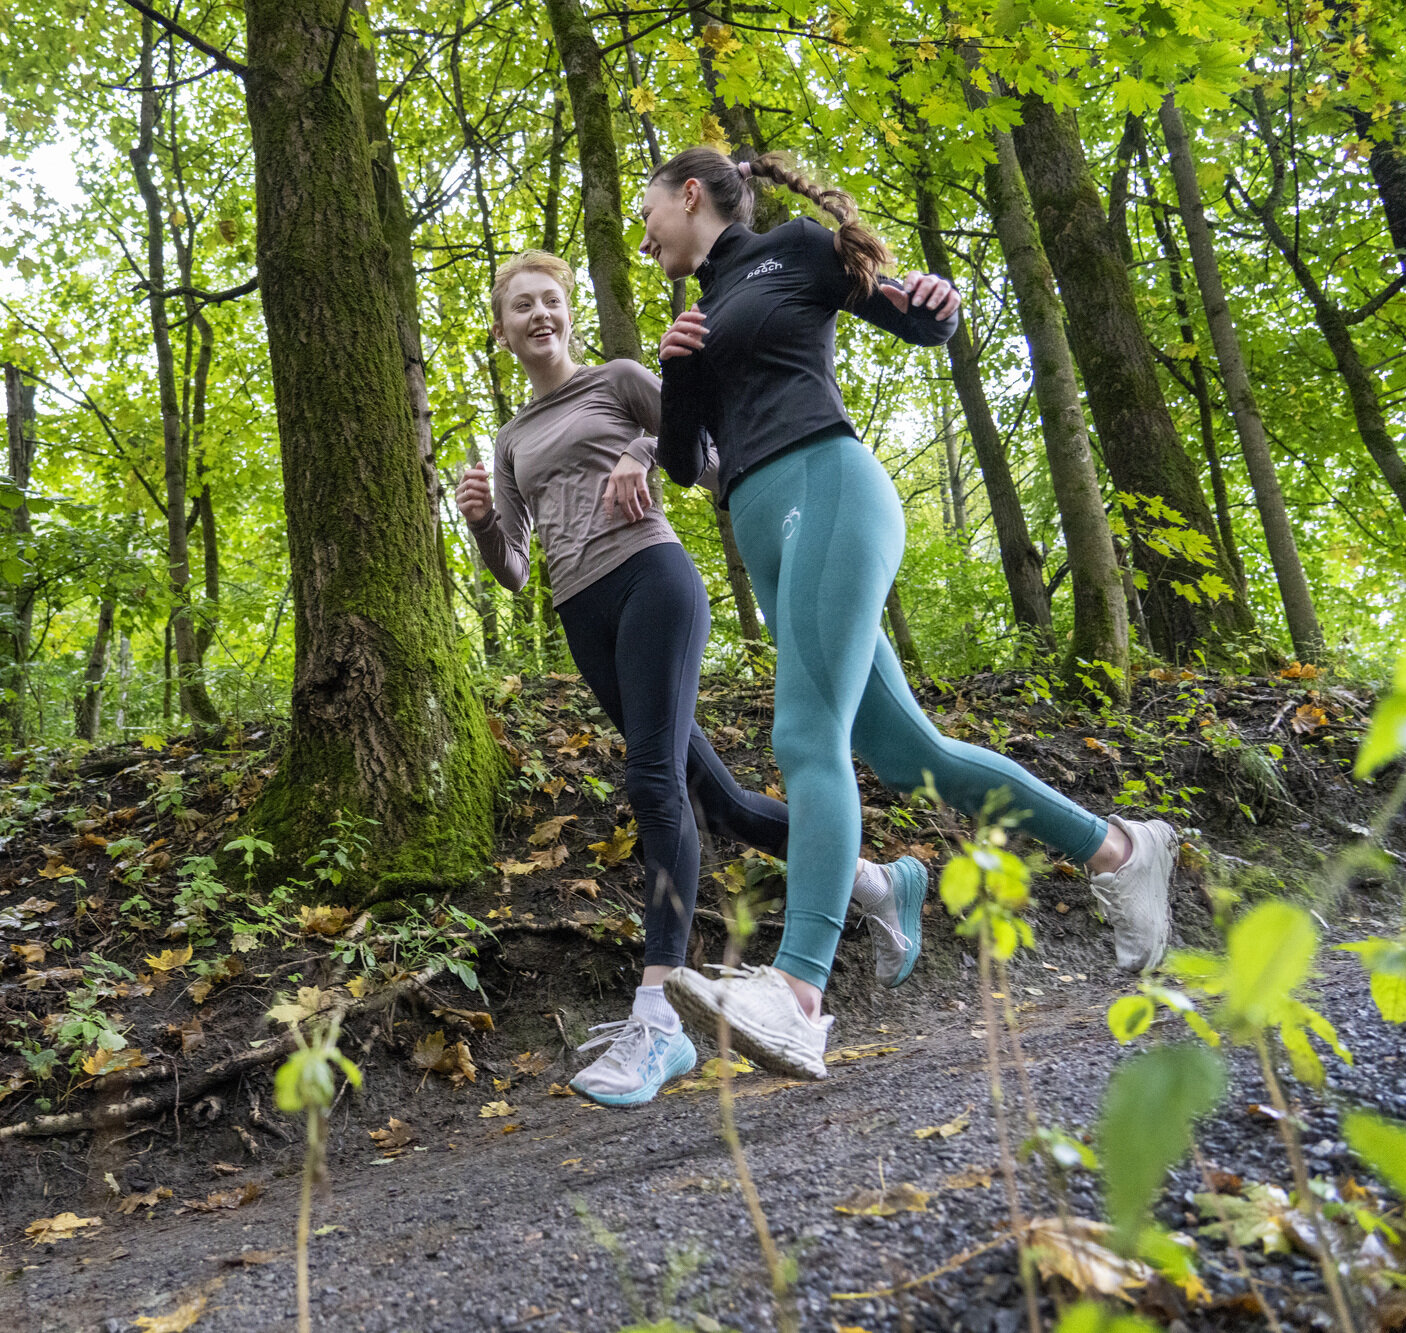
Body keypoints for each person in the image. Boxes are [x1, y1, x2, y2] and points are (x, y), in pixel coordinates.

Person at [634, 148, 1180, 1081]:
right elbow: (685, 464)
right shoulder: (694, 317)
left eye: (647, 208)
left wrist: (941, 300)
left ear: (692, 194)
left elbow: (918, 322)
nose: (642, 233)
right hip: (769, 527)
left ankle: (799, 993)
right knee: (907, 754)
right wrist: (678, 374)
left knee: (807, 737)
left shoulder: (795, 251)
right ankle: (1121, 849)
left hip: (830, 485)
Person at [455, 248, 926, 1107]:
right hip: (580, 613)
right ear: (502, 328)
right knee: (715, 802)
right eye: (521, 305)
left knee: (652, 784)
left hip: (653, 582)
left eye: (551, 300)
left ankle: (659, 1017)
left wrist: (640, 446)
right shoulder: (512, 437)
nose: (539, 315)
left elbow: (704, 452)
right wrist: (483, 522)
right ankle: (873, 881)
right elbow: (516, 569)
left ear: (569, 313)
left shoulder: (622, 378)